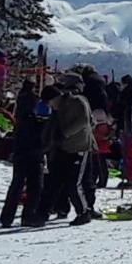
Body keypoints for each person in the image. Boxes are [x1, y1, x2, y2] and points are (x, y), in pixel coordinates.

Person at [39, 85, 96, 226]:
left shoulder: (77, 102)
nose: (50, 106)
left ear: (55, 98)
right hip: (64, 149)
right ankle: (50, 210)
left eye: (50, 102)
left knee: (74, 183)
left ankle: (84, 212)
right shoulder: (59, 109)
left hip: (79, 147)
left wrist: (65, 133)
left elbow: (84, 121)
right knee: (57, 181)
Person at [0, 79, 47, 228]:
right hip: (35, 152)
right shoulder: (37, 107)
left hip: (20, 150)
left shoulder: (20, 107)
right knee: (35, 186)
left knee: (17, 184)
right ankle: (28, 215)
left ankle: (7, 217)